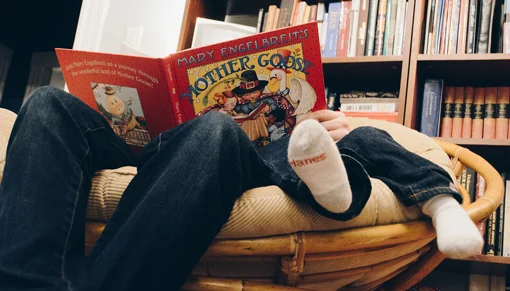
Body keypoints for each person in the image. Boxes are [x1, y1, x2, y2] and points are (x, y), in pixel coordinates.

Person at [0, 86, 482, 291]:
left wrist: (329, 125)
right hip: (149, 147)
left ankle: (336, 180)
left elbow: (363, 139)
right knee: (45, 103)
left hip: (233, 155)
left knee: (217, 129)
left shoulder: (306, 103)